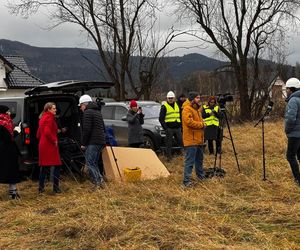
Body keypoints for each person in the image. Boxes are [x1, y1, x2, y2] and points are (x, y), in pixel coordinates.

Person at [79, 94, 106, 189]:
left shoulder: (87, 113)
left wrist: (83, 143)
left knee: (90, 162)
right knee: (94, 162)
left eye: (80, 106)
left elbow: (87, 130)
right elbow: (103, 127)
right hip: (100, 141)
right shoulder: (97, 111)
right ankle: (101, 181)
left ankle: (97, 183)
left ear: (84, 104)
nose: (80, 108)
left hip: (93, 141)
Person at [37, 102, 62, 194]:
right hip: (49, 145)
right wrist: (54, 140)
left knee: (44, 168)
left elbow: (39, 133)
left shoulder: (42, 117)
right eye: (53, 108)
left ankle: (41, 188)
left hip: (43, 144)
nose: (55, 110)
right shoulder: (50, 118)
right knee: (57, 166)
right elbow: (47, 132)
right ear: (48, 109)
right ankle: (56, 188)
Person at [181, 92, 206, 187]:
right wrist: (202, 125)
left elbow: (198, 121)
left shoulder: (197, 109)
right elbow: (189, 122)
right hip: (190, 140)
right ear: (192, 99)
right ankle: (186, 181)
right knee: (190, 161)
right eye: (197, 98)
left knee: (199, 160)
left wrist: (202, 123)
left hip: (198, 139)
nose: (199, 99)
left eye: (199, 97)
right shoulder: (187, 109)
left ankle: (200, 177)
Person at [0, 105, 21, 199]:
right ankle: (13, 193)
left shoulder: (6, 122)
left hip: (5, 150)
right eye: (8, 111)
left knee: (5, 171)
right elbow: (7, 139)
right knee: (11, 171)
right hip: (6, 150)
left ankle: (13, 191)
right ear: (3, 112)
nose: (9, 113)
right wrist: (16, 131)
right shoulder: (3, 123)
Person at [285, 77, 300, 186]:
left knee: (290, 156)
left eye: (287, 89)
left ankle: (298, 179)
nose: (286, 91)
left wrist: (287, 130)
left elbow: (291, 118)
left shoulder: (294, 100)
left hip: (295, 134)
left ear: (291, 89)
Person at [159, 91, 182, 161]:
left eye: (171, 98)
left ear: (174, 98)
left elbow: (180, 115)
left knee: (181, 142)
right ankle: (168, 157)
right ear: (167, 98)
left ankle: (183, 154)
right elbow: (161, 119)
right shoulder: (164, 107)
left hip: (177, 127)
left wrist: (180, 125)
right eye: (169, 98)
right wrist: (166, 128)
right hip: (169, 128)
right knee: (169, 144)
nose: (170, 99)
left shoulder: (177, 105)